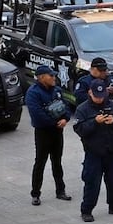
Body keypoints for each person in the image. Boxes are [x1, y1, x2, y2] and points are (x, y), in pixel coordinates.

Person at [72, 79, 113, 222]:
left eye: (102, 95)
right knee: (92, 183)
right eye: (96, 95)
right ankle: (86, 210)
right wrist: (94, 122)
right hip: (94, 153)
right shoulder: (82, 109)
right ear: (90, 92)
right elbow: (79, 130)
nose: (100, 98)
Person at [25, 64, 71, 206]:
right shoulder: (33, 93)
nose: (53, 78)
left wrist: (65, 119)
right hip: (43, 132)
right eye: (51, 75)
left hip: (57, 131)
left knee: (57, 161)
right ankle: (35, 194)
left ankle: (60, 190)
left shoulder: (56, 90)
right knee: (40, 162)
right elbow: (37, 115)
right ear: (41, 77)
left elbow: (66, 106)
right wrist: (55, 122)